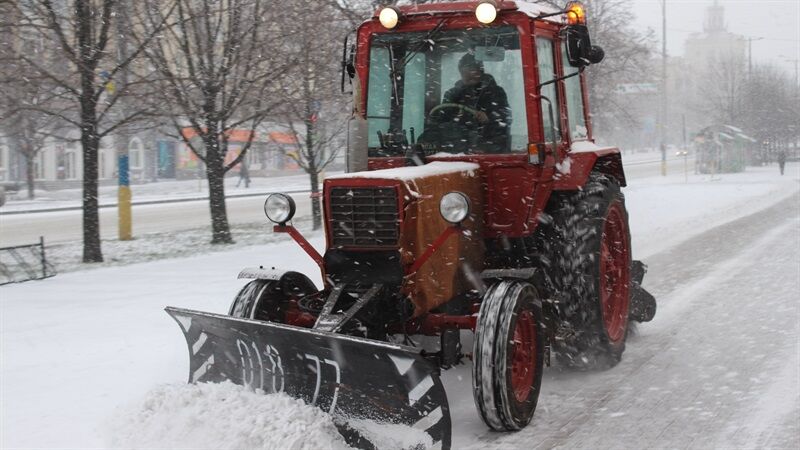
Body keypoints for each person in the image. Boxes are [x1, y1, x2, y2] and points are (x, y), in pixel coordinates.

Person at [440, 53, 511, 152]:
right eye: (465, 71)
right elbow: (441, 120)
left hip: (491, 150)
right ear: (461, 72)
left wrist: (489, 118)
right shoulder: (452, 94)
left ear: (481, 71)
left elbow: (505, 118)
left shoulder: (496, 92)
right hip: (457, 151)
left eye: (472, 70)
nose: (469, 75)